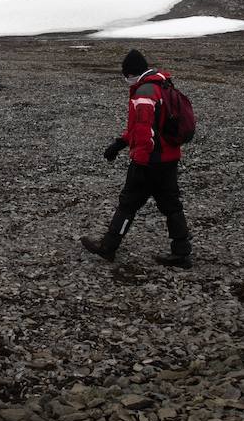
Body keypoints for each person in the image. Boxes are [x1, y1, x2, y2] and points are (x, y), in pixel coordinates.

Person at [81, 49, 193, 269]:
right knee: (171, 205)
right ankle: (182, 252)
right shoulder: (163, 85)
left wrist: (140, 161)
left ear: (131, 72)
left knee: (128, 203)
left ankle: (109, 247)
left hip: (150, 160)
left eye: (126, 74)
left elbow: (143, 131)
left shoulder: (144, 93)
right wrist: (120, 143)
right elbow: (147, 127)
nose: (125, 79)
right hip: (169, 157)